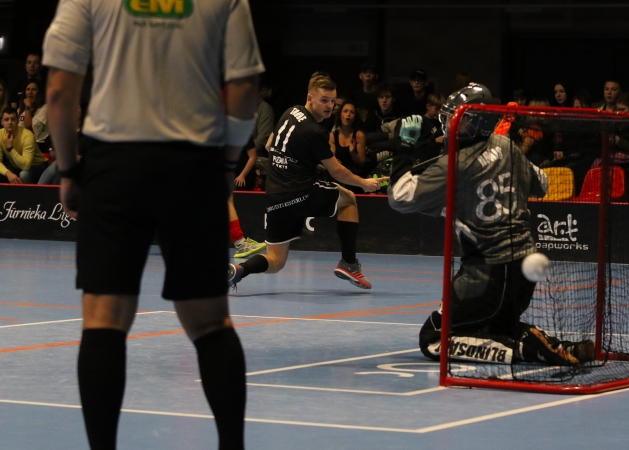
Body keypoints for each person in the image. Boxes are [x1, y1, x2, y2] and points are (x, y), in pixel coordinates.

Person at [43, 1, 264, 449]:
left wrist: (67, 171)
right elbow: (244, 88)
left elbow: (60, 90)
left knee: (104, 318)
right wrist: (226, 164)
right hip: (194, 166)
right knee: (210, 322)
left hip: (114, 165)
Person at [386, 83, 594, 366]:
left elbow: (399, 197)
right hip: (524, 269)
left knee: (433, 339)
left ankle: (524, 349)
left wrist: (404, 147)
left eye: (458, 118)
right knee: (491, 328)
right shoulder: (508, 146)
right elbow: (543, 184)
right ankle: (559, 346)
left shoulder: (454, 164)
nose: (450, 125)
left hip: (485, 274)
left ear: (477, 122)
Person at [228, 76, 383, 290]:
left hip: (274, 196)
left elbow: (270, 144)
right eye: (324, 100)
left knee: (275, 261)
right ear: (310, 98)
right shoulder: (315, 132)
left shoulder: (290, 112)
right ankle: (349, 263)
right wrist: (364, 183)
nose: (330, 106)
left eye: (333, 101)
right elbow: (337, 171)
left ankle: (239, 270)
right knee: (348, 198)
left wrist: (294, 159)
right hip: (300, 191)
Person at [0, 107, 47, 184]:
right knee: (4, 172)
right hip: (16, 165)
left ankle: (31, 192)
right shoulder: (0, 134)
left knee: (24, 174)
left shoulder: (27, 136)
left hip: (36, 165)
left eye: (13, 119)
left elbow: (26, 166)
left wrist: (10, 148)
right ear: (2, 122)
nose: (10, 122)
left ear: (18, 121)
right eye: (6, 120)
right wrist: (8, 174)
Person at [329, 100, 367, 177]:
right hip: (338, 174)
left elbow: (361, 163)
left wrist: (353, 153)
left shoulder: (359, 135)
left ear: (355, 117)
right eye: (345, 111)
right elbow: (331, 158)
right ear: (340, 115)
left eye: (352, 112)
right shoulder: (332, 135)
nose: (348, 114)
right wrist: (335, 162)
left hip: (355, 175)